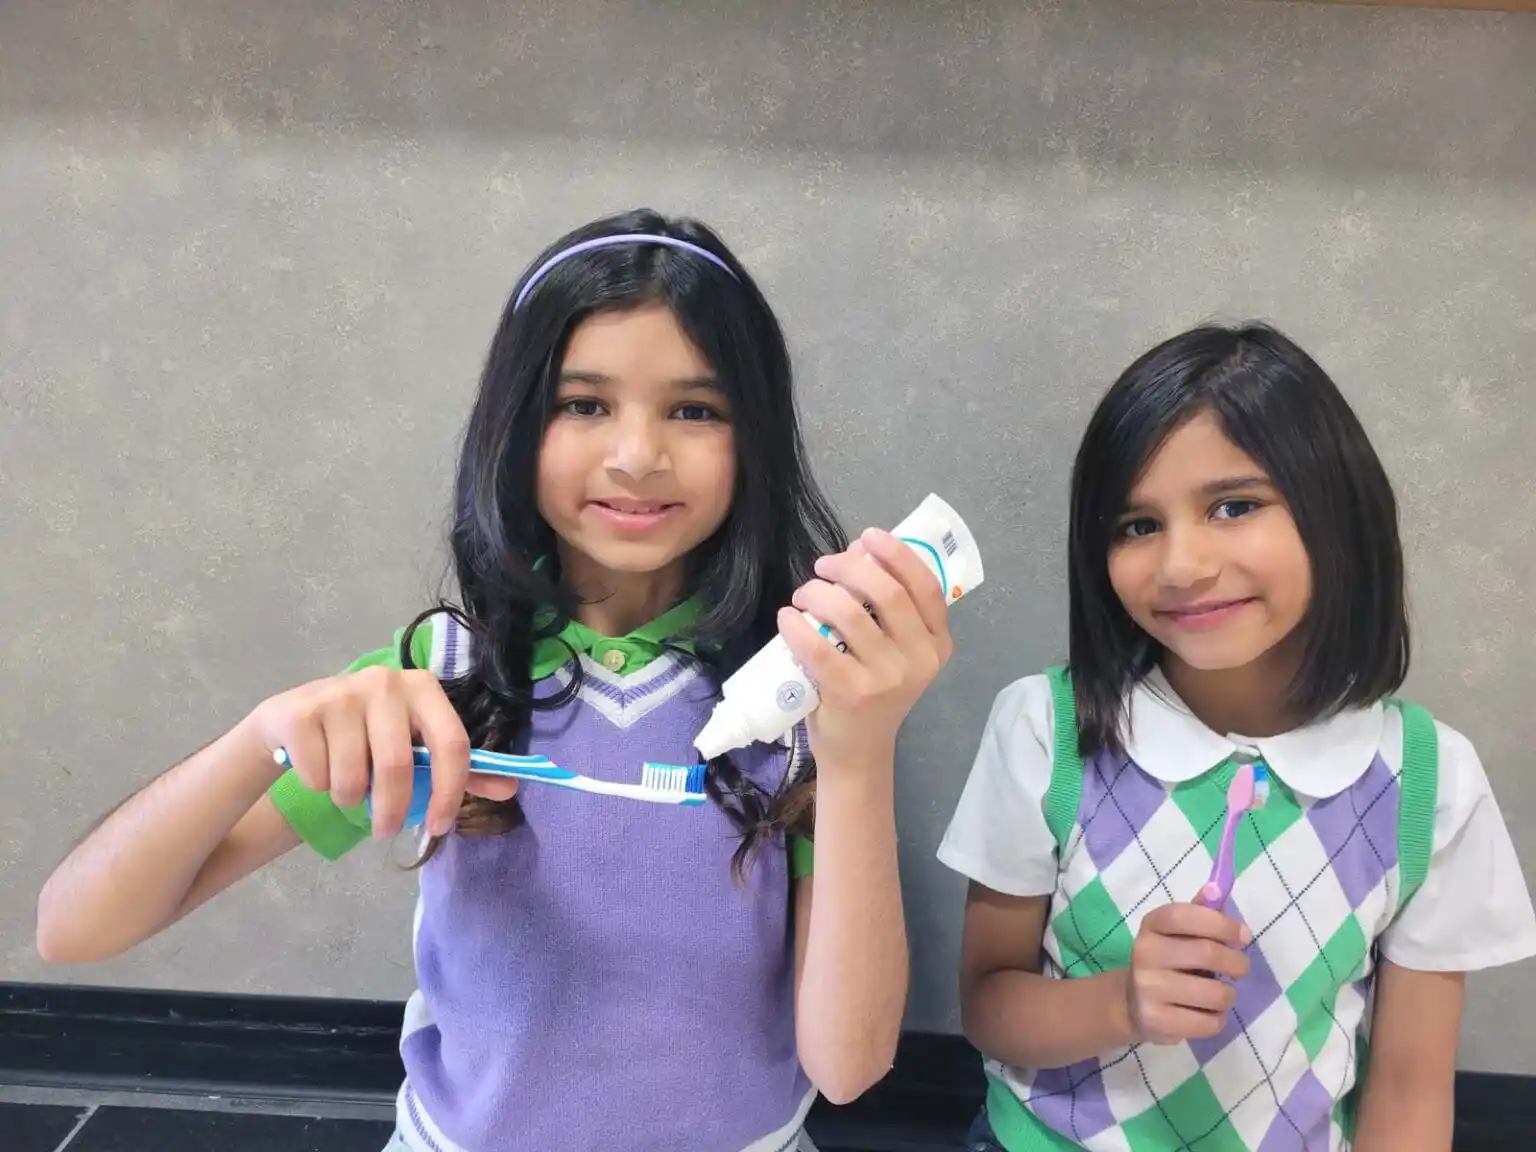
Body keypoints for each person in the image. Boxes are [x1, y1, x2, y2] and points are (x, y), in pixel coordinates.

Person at [37, 209, 954, 1152]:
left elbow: (847, 1067)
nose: (637, 454)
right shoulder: (439, 682)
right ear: (516, 424)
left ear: (753, 438)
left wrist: (860, 753)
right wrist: (263, 734)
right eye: (583, 403)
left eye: (695, 409)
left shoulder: (800, 699)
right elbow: (74, 929)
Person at [939, 322, 1536, 1151]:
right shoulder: (1047, 730)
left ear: (1338, 512)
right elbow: (988, 1006)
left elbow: (1407, 1090)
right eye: (1137, 525)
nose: (1181, 564)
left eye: (1234, 505)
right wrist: (1122, 1004)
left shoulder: (1429, 782)